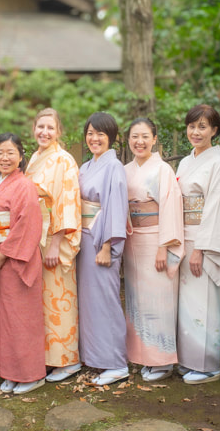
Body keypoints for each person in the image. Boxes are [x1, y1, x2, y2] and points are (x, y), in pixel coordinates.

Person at [123, 117, 184, 382]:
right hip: (133, 239)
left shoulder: (163, 171)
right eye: (135, 136)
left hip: (155, 239)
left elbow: (171, 208)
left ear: (155, 139)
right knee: (137, 300)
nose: (140, 142)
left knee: (159, 300)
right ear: (128, 140)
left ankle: (162, 361)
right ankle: (144, 356)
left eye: (145, 136)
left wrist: (164, 245)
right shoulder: (125, 170)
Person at [24, 108, 82, 383]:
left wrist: (56, 243)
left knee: (60, 298)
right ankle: (49, 357)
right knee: (42, 301)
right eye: (40, 127)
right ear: (33, 128)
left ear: (59, 132)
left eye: (50, 128)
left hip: (53, 238)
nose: (44, 132)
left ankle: (68, 359)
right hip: (36, 237)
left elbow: (67, 201)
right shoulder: (35, 158)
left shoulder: (64, 160)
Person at [175, 105, 220, 385]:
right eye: (192, 126)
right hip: (183, 235)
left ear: (214, 131)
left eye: (202, 127)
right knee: (187, 302)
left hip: (202, 240)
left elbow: (215, 208)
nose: (195, 132)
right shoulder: (185, 162)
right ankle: (189, 359)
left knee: (204, 301)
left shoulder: (218, 164)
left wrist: (200, 249)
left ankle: (208, 365)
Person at [0, 133, 45, 395]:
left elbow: (28, 224)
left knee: (23, 318)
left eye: (10, 152)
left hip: (16, 259)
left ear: (21, 156)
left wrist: (4, 253)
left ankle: (31, 374)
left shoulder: (25, 186)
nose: (5, 157)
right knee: (5, 318)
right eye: (0, 152)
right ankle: (10, 371)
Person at [77, 112, 129, 386]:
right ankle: (97, 358)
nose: (94, 138)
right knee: (91, 303)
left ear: (111, 138)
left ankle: (116, 362)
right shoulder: (85, 167)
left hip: (101, 240)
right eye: (90, 133)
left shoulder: (114, 167)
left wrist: (108, 246)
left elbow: (116, 207)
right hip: (84, 240)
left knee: (106, 301)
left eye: (100, 134)